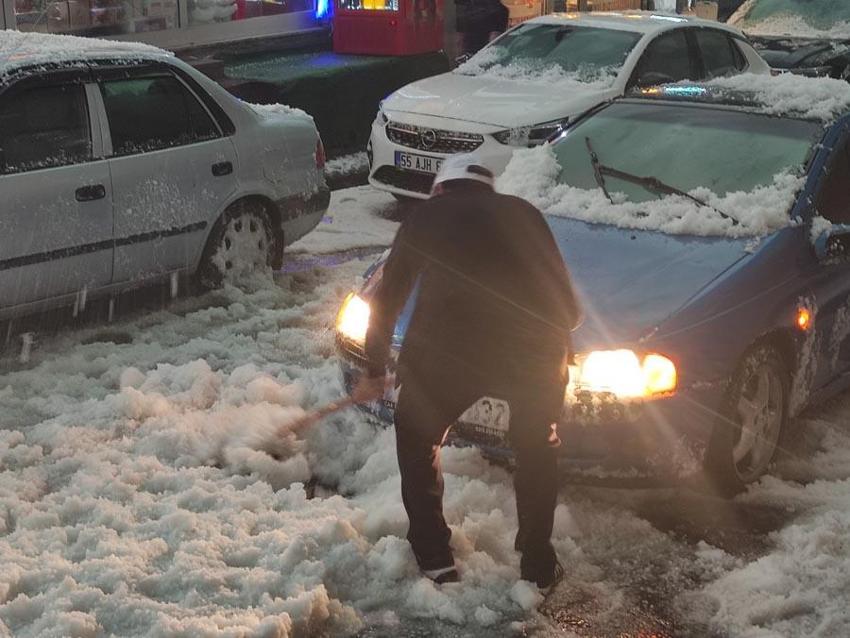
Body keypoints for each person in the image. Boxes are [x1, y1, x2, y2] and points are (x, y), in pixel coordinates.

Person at [352, 155, 582, 589]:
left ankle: (434, 555)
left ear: (440, 189)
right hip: (533, 352)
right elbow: (568, 309)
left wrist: (375, 367)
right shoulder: (525, 214)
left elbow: (388, 298)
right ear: (488, 189)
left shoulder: (427, 216)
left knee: (417, 437)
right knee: (536, 446)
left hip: (449, 351)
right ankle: (537, 562)